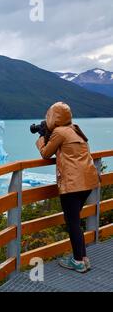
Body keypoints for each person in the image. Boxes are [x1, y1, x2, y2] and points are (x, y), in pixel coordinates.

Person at [35, 101, 100, 273]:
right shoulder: (75, 128)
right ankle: (83, 258)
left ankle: (78, 261)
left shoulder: (59, 132)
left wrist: (41, 138)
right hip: (88, 181)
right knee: (75, 222)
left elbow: (46, 153)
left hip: (73, 183)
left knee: (73, 224)